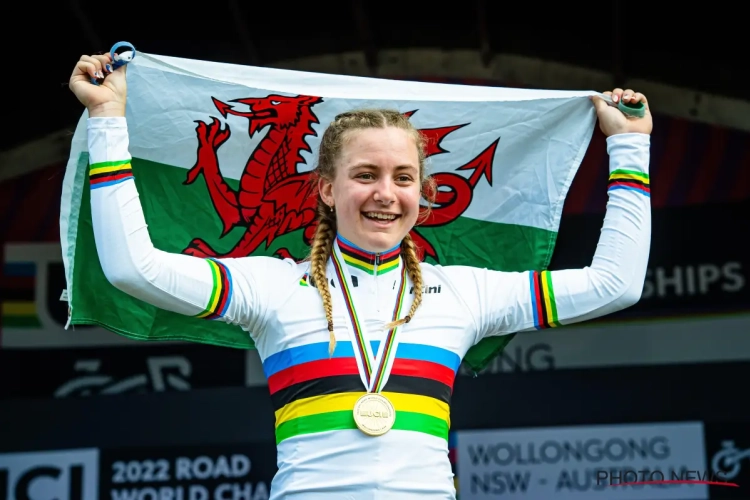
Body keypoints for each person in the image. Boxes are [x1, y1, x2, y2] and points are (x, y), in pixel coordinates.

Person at [69, 51, 652, 499]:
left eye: (404, 177)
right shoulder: (272, 287)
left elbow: (615, 284)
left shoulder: (466, 293)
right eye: (365, 174)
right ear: (327, 189)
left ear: (423, 194)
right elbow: (133, 268)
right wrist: (107, 118)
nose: (385, 193)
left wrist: (629, 146)